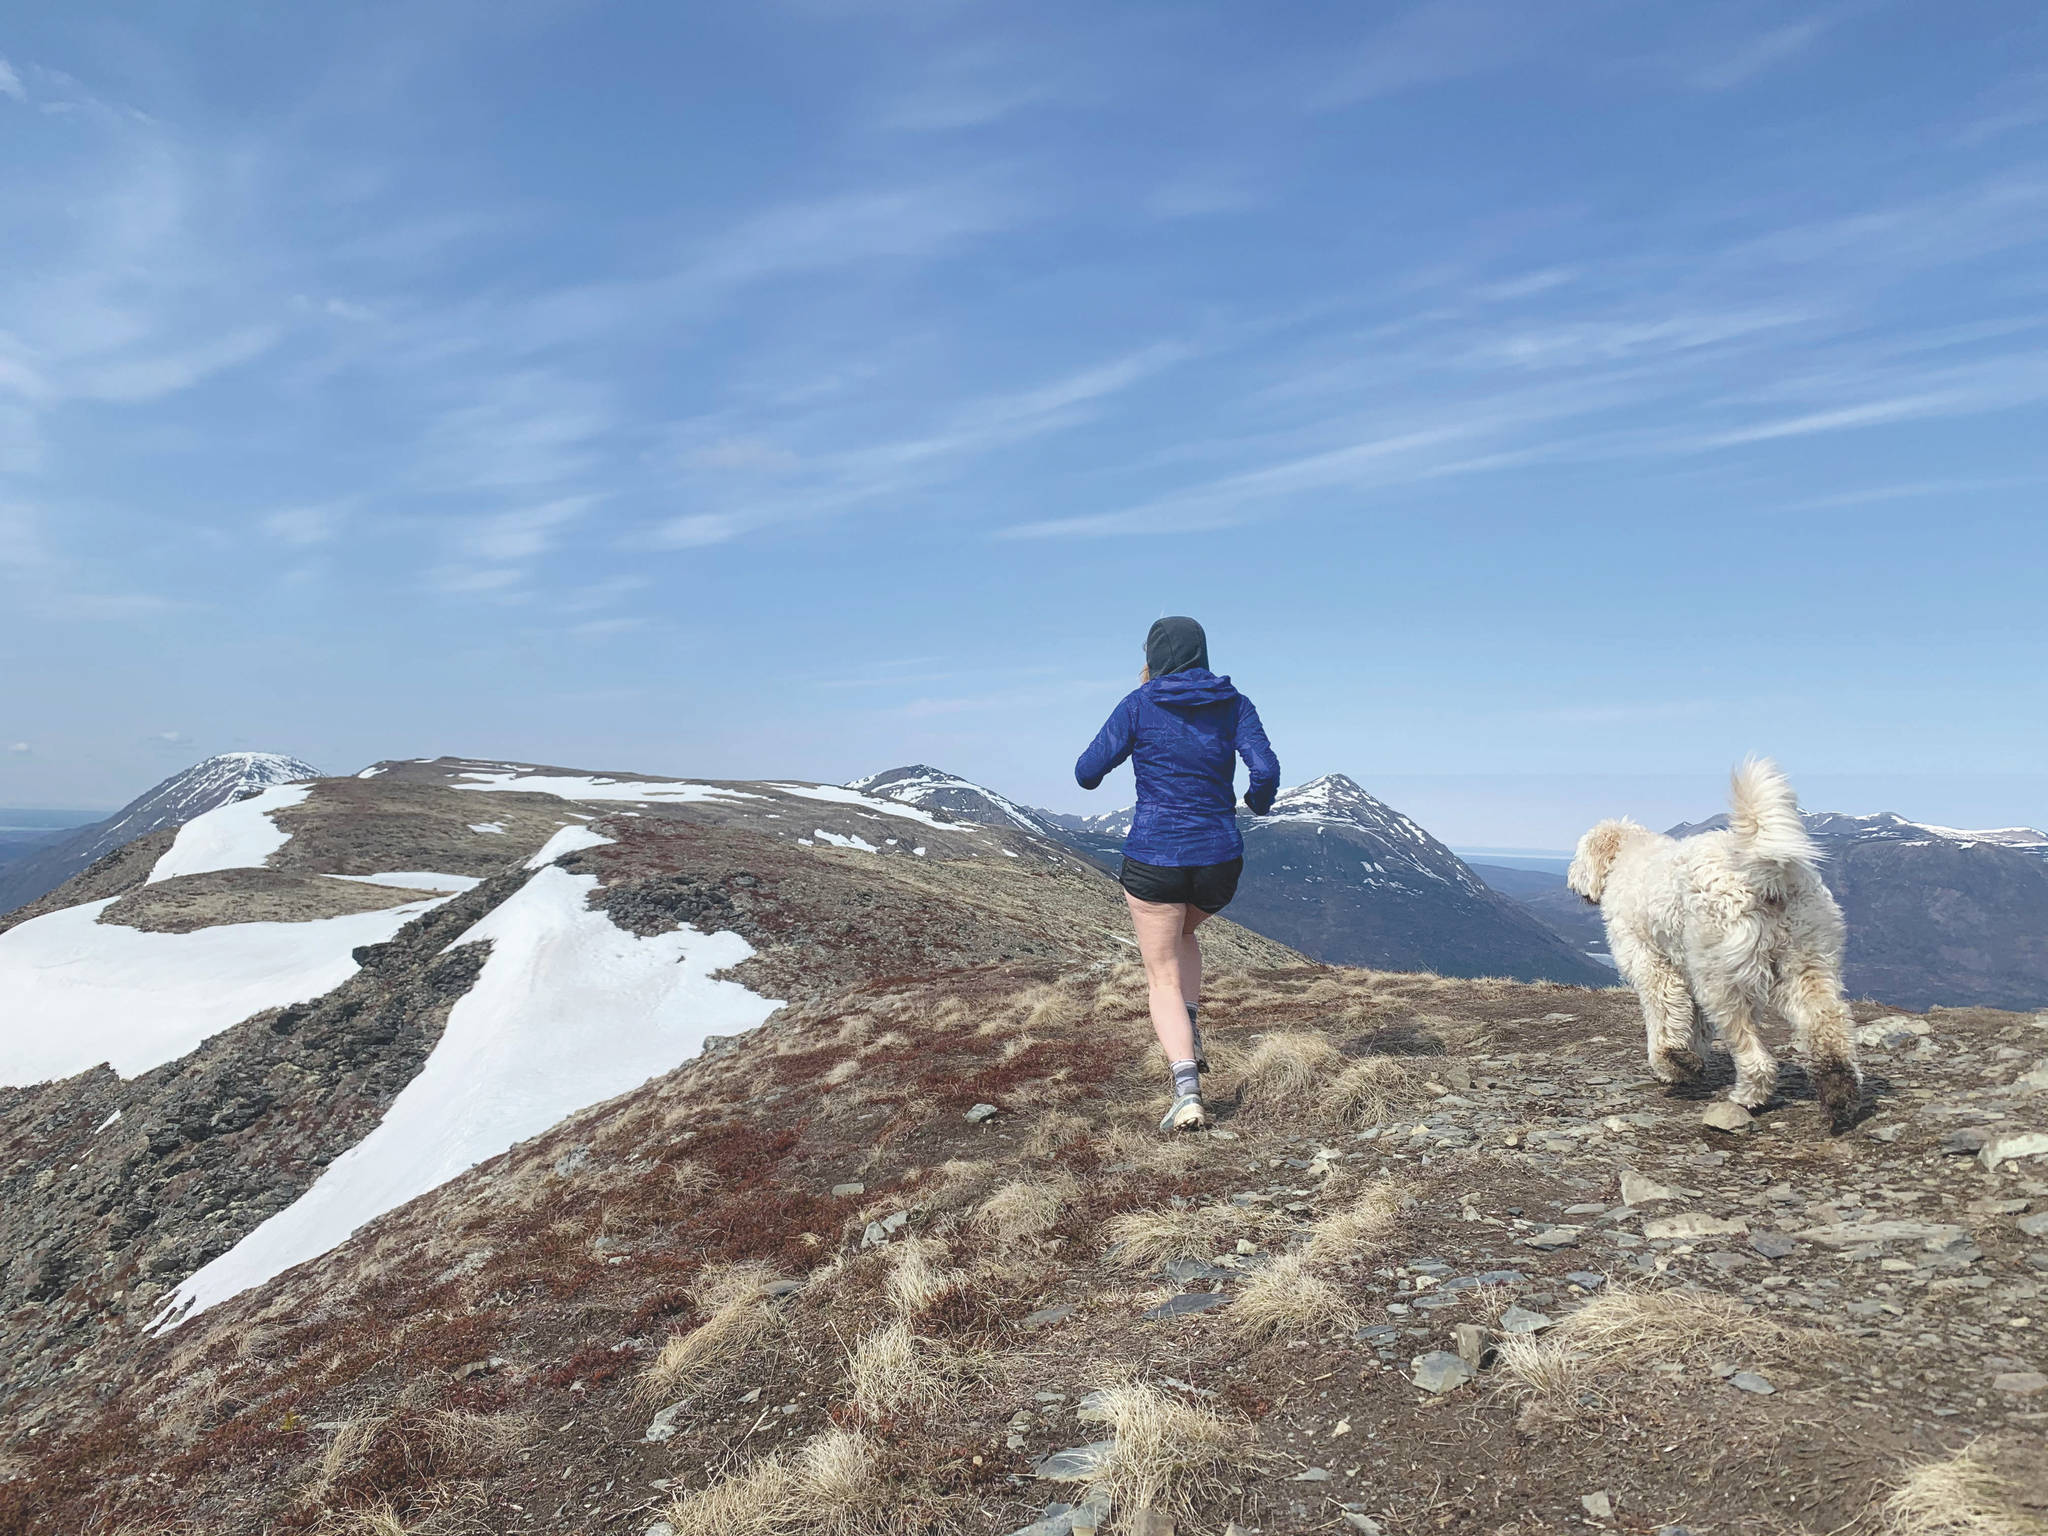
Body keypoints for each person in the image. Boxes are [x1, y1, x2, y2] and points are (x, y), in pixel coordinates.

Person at [1075, 616, 1280, 1132]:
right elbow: (1266, 770)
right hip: (1218, 861)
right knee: (1183, 933)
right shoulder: (1234, 702)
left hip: (1154, 856)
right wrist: (1256, 801)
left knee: (1160, 971)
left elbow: (1086, 772)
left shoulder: (1138, 704)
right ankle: (1189, 1026)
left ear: (1153, 657)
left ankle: (1186, 1090)